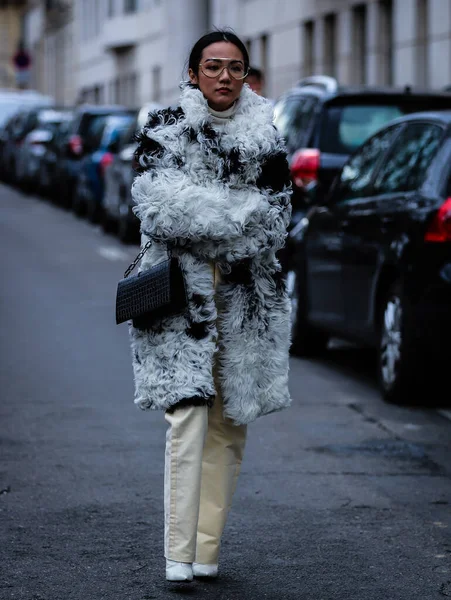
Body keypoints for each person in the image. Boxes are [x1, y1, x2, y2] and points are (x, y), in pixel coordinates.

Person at [130, 29, 292, 583]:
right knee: (187, 419)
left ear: (247, 75)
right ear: (194, 71)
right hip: (181, 297)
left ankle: (206, 551)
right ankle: (177, 554)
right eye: (214, 65)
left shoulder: (266, 136)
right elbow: (158, 208)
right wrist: (235, 213)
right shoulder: (163, 128)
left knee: (228, 426)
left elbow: (275, 220)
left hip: (246, 299)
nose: (225, 76)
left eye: (236, 67)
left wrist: (209, 215)